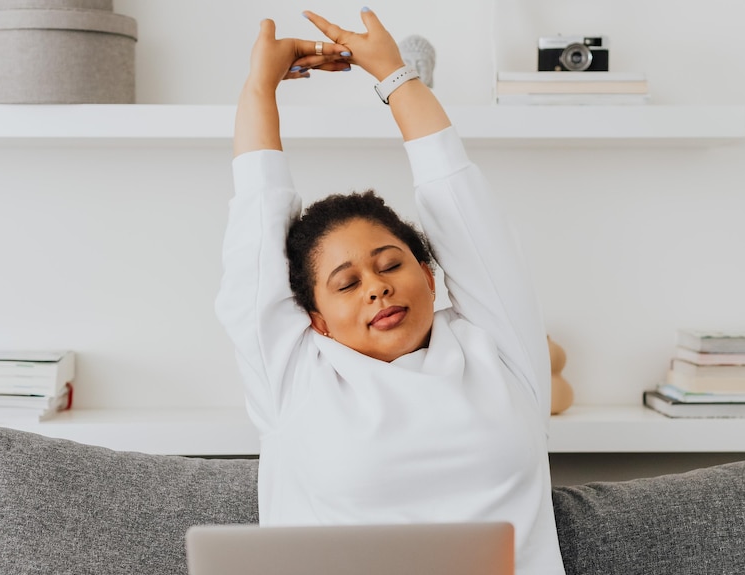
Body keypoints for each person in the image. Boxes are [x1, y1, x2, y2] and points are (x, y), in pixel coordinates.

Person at [215, 8, 565, 575]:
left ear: (430, 275)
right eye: (347, 283)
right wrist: (260, 89)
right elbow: (254, 236)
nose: (376, 288)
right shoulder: (297, 377)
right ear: (316, 319)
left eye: (390, 265)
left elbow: (462, 206)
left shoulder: (500, 353)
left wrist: (394, 74)